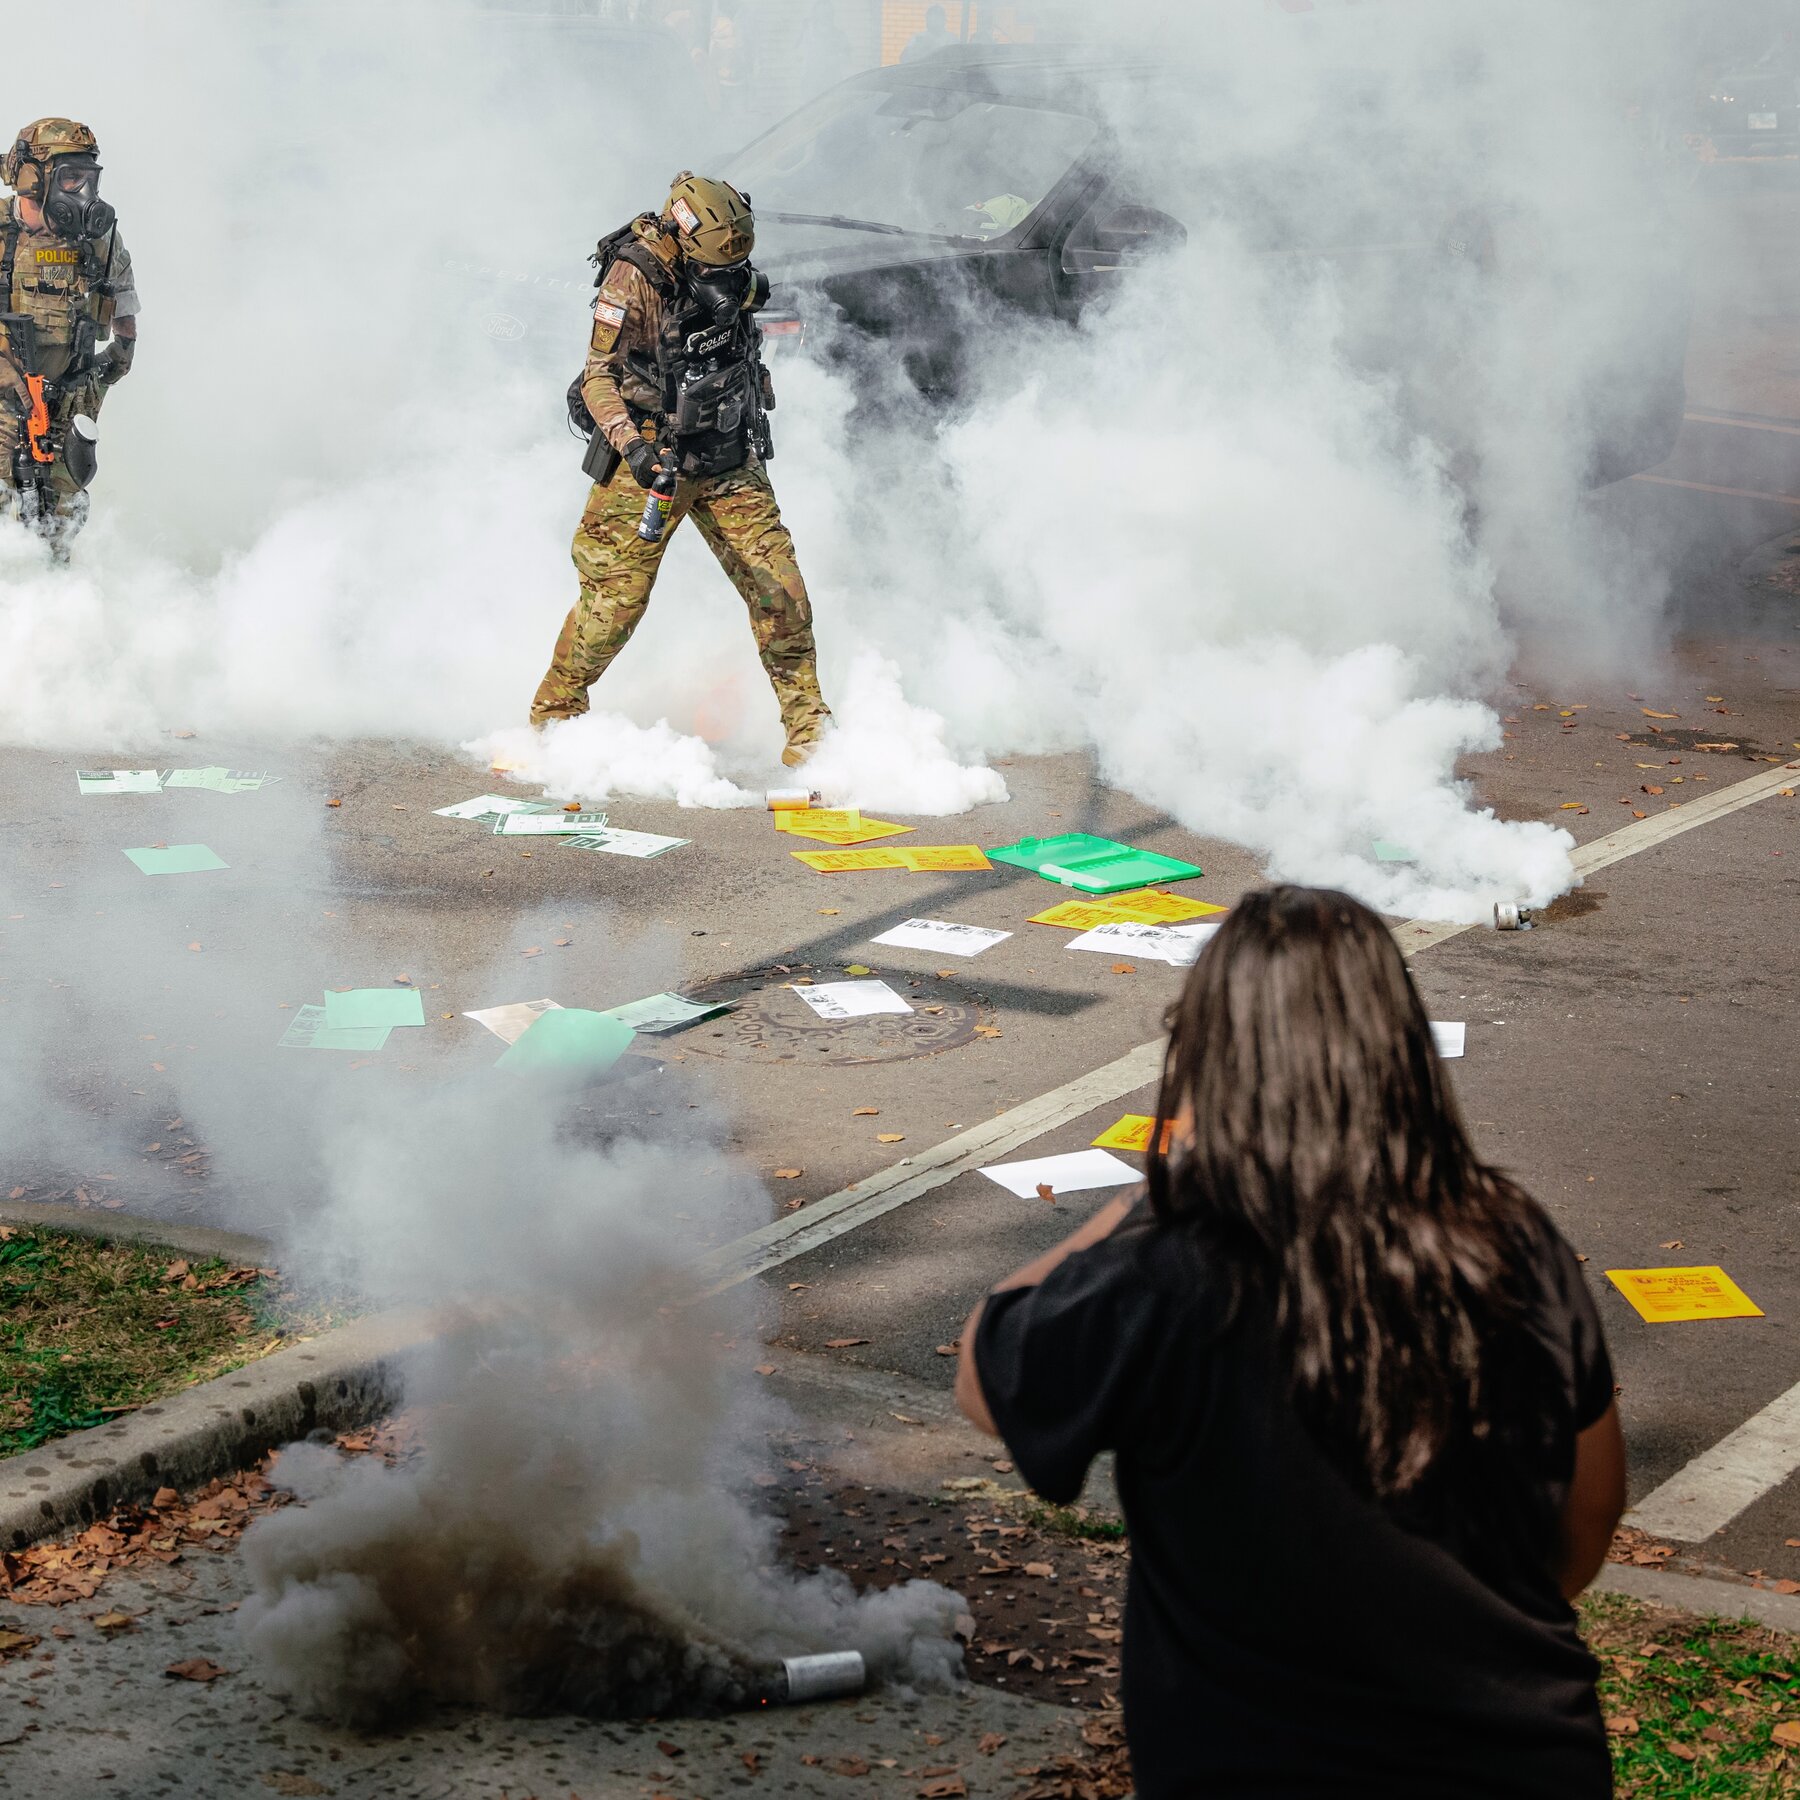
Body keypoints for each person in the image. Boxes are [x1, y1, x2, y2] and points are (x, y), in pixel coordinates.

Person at [957, 885, 1626, 1799]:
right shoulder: (1512, 1238)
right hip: (1521, 1756)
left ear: (1207, 1059)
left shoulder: (1165, 1269)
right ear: (1397, 1051)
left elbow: (984, 1378)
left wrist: (1153, 1190)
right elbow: (1587, 1521)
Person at [532, 173, 832, 767]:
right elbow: (597, 377)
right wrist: (635, 453)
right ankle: (556, 716)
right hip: (652, 453)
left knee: (781, 589)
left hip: (726, 449)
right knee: (614, 602)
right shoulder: (635, 277)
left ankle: (812, 733)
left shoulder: (724, 253)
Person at [0, 117, 138, 558]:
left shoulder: (94, 238)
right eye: (70, 177)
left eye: (87, 177)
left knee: (59, 521)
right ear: (31, 179)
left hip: (69, 401)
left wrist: (118, 356)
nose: (81, 190)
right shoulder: (3, 234)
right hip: (6, 406)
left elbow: (123, 295)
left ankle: (54, 606)